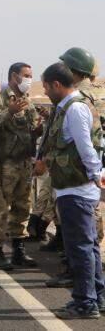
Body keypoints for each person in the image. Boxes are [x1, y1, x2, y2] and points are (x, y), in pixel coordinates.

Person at [37, 62, 104, 320]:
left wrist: (92, 177)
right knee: (88, 247)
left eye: (45, 86)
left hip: (77, 189)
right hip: (75, 187)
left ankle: (85, 303)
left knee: (80, 249)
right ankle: (98, 296)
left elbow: (87, 149)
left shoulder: (74, 110)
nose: (44, 91)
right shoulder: (68, 108)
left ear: (57, 84)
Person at [0, 62, 41, 270]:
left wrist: (40, 127)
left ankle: (19, 250)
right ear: (14, 76)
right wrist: (9, 111)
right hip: (3, 165)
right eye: (26, 75)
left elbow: (31, 129)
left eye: (31, 76)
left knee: (23, 207)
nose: (29, 80)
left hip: (23, 163)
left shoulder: (28, 102)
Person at [60, 48, 105, 244]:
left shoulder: (78, 96)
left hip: (85, 161)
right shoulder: (100, 92)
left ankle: (87, 259)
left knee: (84, 211)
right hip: (97, 156)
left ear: (74, 70)